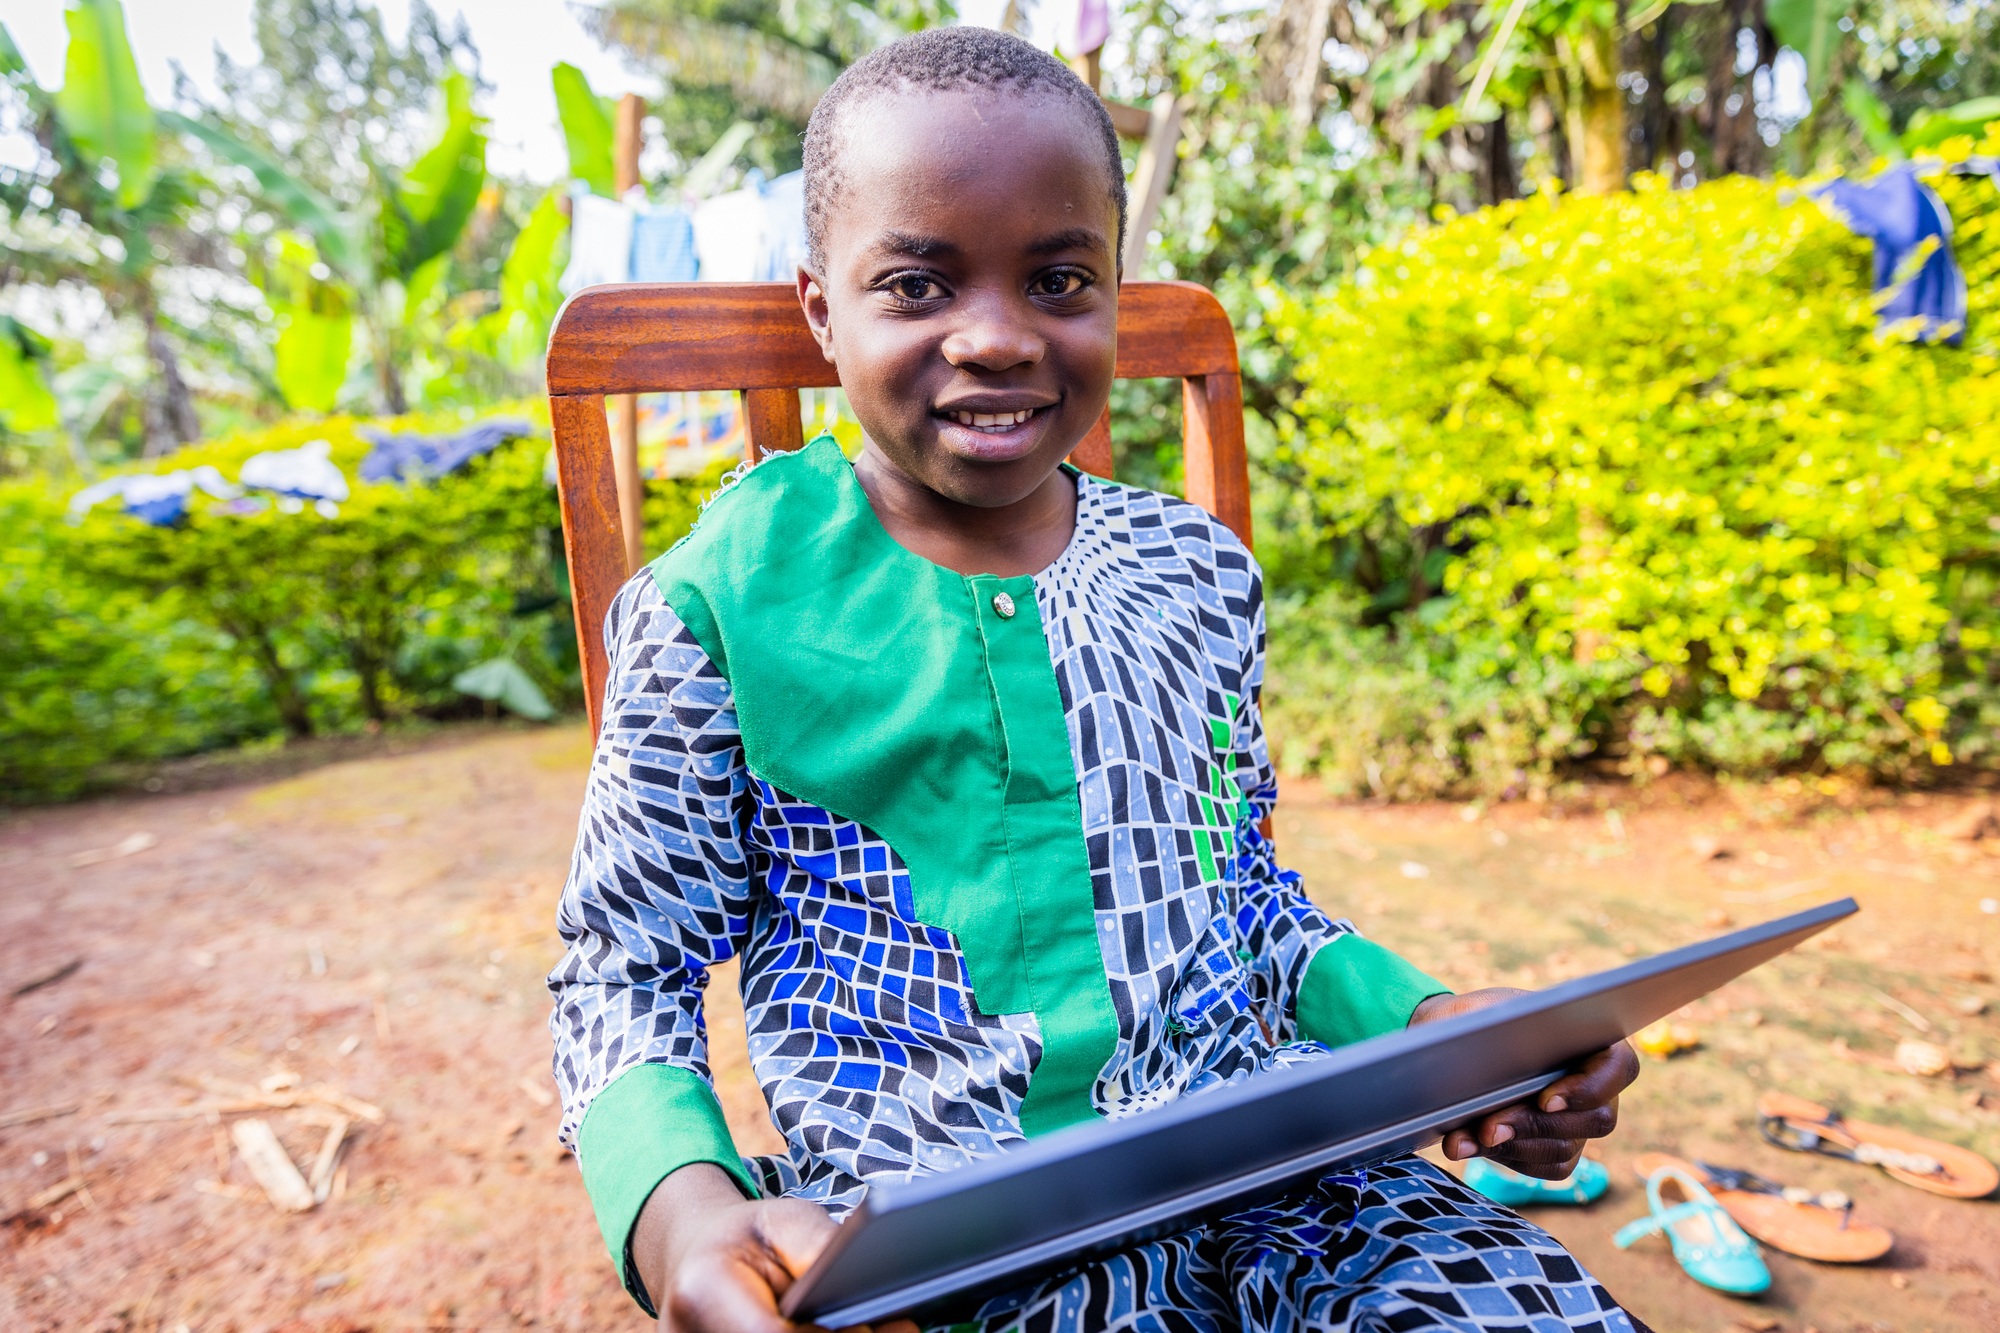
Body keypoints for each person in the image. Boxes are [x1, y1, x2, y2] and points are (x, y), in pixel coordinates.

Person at [549, 26, 1643, 1333]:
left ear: (1113, 290)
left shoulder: (1195, 573)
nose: (1000, 338)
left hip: (1283, 1179)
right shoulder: (720, 598)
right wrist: (681, 1213)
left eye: (1060, 278)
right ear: (820, 308)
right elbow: (624, 968)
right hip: (943, 1238)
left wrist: (1443, 1031)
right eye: (918, 286)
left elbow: (1247, 909)